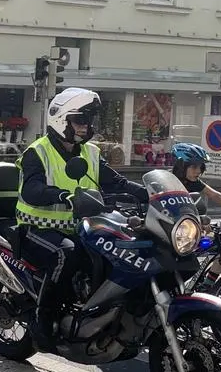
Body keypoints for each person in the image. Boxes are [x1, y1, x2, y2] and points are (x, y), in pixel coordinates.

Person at [16, 87, 149, 344]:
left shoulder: (91, 153)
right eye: (80, 119)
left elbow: (117, 183)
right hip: (37, 228)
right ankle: (43, 319)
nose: (86, 126)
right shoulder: (38, 151)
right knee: (65, 254)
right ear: (61, 120)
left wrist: (152, 195)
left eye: (88, 120)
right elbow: (31, 189)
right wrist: (63, 196)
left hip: (82, 227)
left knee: (121, 250)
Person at [169, 142, 221, 224]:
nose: (199, 171)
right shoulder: (166, 182)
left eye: (201, 167)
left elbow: (215, 195)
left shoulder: (191, 181)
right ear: (181, 167)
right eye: (194, 167)